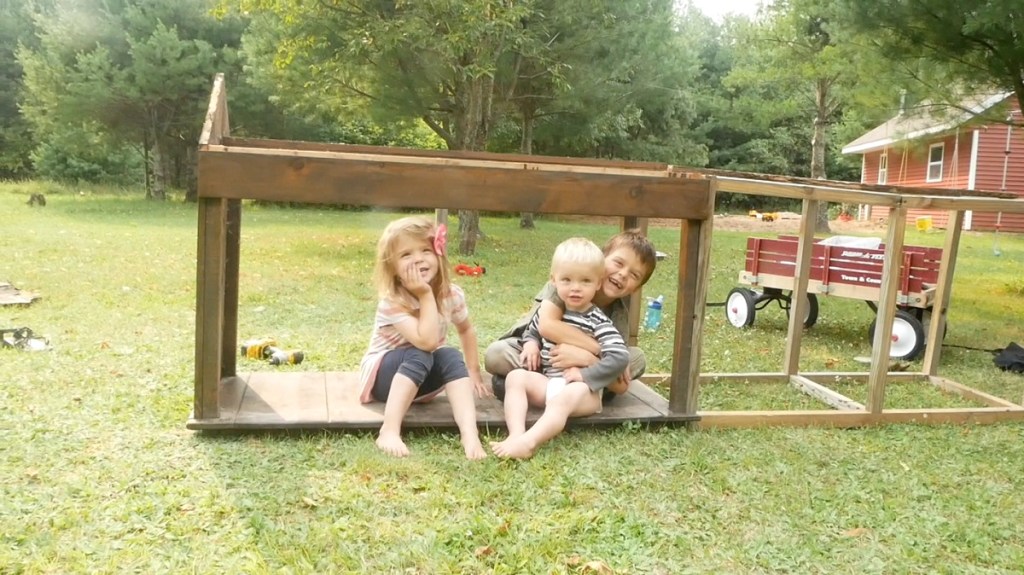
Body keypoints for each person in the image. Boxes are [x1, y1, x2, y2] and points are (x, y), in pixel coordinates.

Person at [489, 237, 635, 459]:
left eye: (585, 281)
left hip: (583, 392)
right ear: (553, 281)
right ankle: (516, 434)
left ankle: (529, 443)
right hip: (550, 381)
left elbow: (619, 357)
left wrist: (585, 374)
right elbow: (534, 328)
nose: (575, 288)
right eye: (566, 280)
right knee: (516, 378)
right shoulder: (553, 310)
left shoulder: (599, 321)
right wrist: (531, 343)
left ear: (598, 283)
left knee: (564, 399)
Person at [358, 216, 491, 459]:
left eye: (426, 250)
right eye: (406, 254)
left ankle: (469, 434)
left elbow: (466, 330)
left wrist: (473, 371)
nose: (418, 258)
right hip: (382, 379)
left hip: (421, 379)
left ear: (439, 255)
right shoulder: (393, 302)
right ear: (393, 268)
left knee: (449, 354)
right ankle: (389, 430)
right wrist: (425, 295)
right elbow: (427, 341)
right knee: (422, 352)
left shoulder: (452, 295)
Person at [484, 229, 657, 402]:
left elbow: (620, 380)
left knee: (636, 358)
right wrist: (596, 350)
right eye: (618, 263)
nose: (623, 274)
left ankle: (537, 388)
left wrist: (588, 360)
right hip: (541, 354)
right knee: (496, 353)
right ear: (601, 261)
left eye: (634, 275)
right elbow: (547, 326)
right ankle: (577, 390)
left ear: (636, 288)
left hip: (583, 368)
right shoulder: (565, 283)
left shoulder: (619, 313)